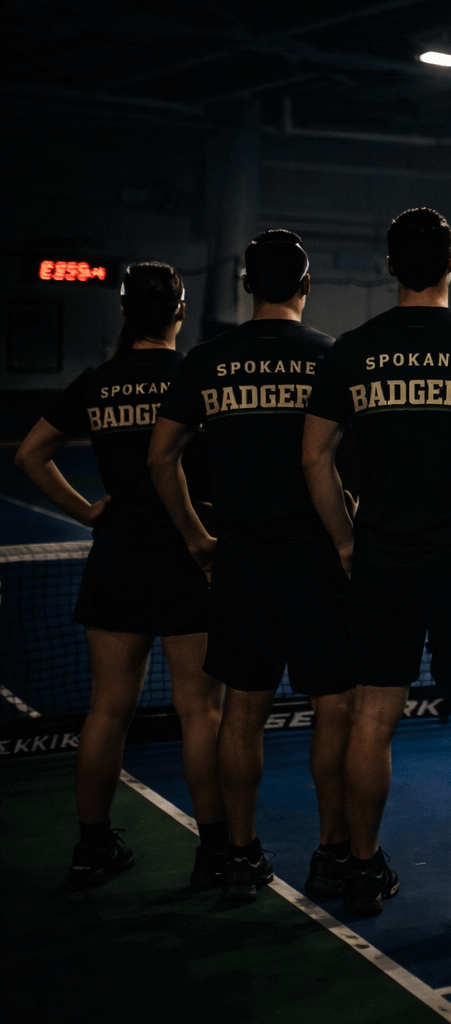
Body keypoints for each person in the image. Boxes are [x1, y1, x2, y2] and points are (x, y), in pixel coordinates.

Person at [302, 208, 451, 918]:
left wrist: (343, 539)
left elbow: (314, 456)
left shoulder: (352, 351)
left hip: (385, 558)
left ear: (390, 267)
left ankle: (363, 869)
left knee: (372, 717)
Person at [149, 230, 356, 904]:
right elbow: (353, 462)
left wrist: (196, 537)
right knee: (335, 708)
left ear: (246, 284)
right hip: (317, 555)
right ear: (304, 287)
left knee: (241, 713)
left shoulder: (208, 359)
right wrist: (349, 535)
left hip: (240, 556)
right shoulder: (332, 357)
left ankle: (239, 854)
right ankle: (332, 854)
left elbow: (160, 456)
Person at [14, 262, 225, 888]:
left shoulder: (99, 382)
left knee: (107, 711)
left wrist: (87, 510)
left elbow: (31, 455)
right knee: (200, 712)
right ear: (179, 311)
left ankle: (93, 846)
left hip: (117, 561)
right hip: (190, 559)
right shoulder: (195, 378)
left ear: (125, 312)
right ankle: (215, 850)